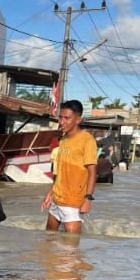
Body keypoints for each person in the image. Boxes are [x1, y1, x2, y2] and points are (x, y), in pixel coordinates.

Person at [40, 100, 97, 234]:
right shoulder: (63, 139)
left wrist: (88, 199)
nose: (62, 121)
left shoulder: (87, 141)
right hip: (57, 199)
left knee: (70, 249)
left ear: (78, 120)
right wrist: (50, 193)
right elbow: (60, 172)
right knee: (49, 240)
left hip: (73, 203)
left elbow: (92, 172)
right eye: (60, 117)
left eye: (67, 118)